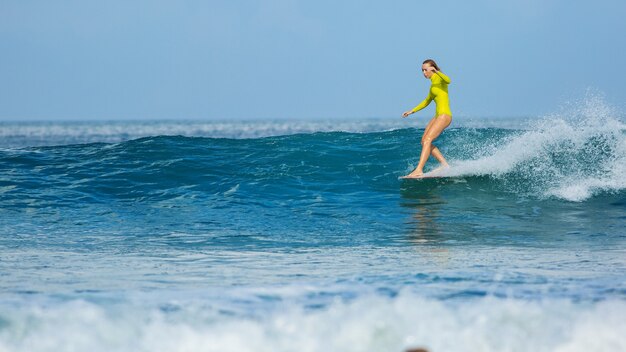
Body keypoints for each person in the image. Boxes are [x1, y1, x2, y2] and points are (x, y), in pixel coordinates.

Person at [401, 59, 452, 178]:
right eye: (422, 70)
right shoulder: (432, 86)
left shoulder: (440, 80)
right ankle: (445, 165)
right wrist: (411, 111)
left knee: (428, 139)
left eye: (426, 70)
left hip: (445, 116)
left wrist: (437, 71)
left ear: (432, 69)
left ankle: (419, 169)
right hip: (437, 116)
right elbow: (426, 101)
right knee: (424, 141)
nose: (424, 72)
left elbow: (449, 80)